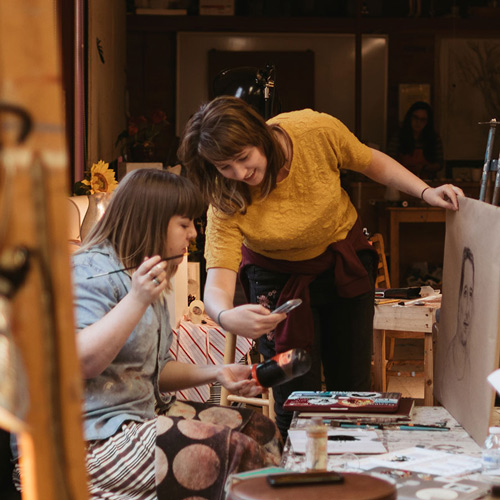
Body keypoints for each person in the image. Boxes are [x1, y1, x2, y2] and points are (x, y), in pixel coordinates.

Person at [178, 96, 464, 438]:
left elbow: (372, 163)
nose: (240, 174)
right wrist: (225, 316)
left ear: (261, 135)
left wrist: (425, 192)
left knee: (353, 388)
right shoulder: (225, 196)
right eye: (225, 167)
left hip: (342, 260)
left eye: (243, 158)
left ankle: (354, 472)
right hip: (277, 279)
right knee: (296, 396)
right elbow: (218, 282)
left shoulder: (314, 130)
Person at [12, 169, 282, 500]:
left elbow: (157, 370)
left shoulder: (142, 277)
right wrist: (136, 300)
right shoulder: (87, 272)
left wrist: (217, 372)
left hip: (138, 421)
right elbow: (79, 362)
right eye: (184, 224)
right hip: (84, 443)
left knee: (261, 430)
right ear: (150, 220)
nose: (193, 234)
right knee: (233, 451)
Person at [386, 101, 444, 180]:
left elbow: (440, 163)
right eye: (415, 118)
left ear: (427, 122)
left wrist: (424, 167)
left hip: (426, 181)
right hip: (402, 180)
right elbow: (389, 159)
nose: (418, 122)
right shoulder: (398, 136)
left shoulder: (434, 138)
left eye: (422, 120)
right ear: (410, 118)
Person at [447, 246, 475, 381]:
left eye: (471, 294)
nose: (468, 309)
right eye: (464, 293)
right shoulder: (448, 360)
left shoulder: (474, 361)